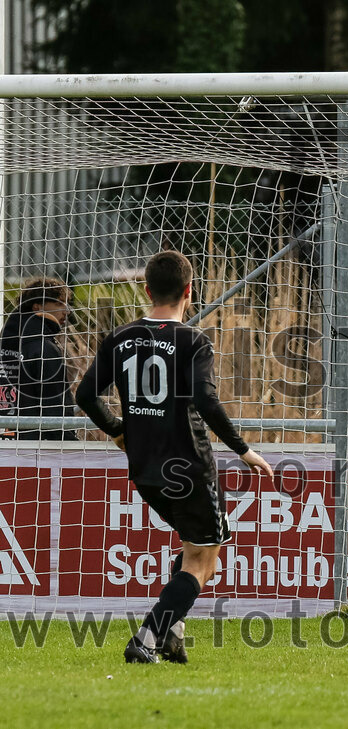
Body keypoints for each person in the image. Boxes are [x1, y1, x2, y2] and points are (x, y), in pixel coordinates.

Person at [76, 250, 274, 664]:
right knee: (204, 561)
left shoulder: (119, 338)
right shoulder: (192, 340)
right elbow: (205, 398)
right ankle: (147, 638)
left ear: (147, 290)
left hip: (145, 466)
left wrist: (117, 431)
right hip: (188, 464)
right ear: (190, 291)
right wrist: (243, 449)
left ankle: (171, 636)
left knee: (198, 554)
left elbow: (85, 395)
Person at [0, 277, 78, 440]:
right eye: (59, 303)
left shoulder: (5, 344)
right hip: (37, 452)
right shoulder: (43, 349)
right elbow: (55, 412)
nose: (67, 311)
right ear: (37, 306)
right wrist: (72, 446)